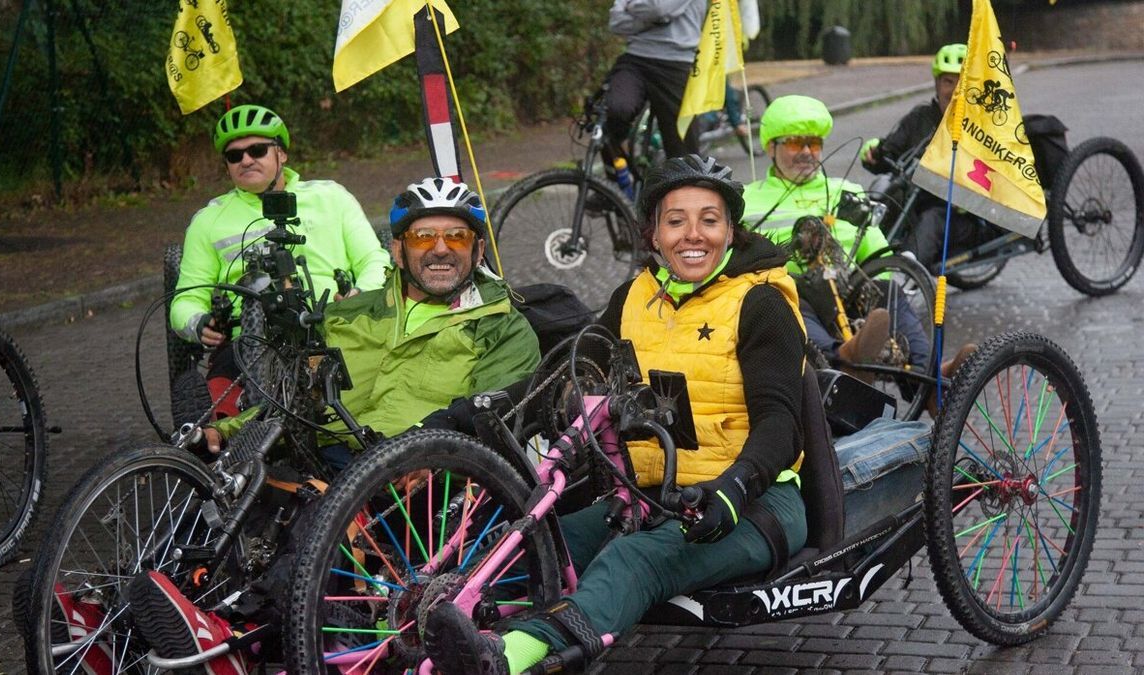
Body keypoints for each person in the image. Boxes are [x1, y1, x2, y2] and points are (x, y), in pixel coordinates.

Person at [420, 155, 933, 675]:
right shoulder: (634, 298)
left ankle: (506, 657)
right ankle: (447, 627)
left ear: (731, 230)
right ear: (654, 235)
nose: (694, 235)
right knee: (544, 541)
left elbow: (781, 423)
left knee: (632, 561)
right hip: (651, 497)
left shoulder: (760, 303)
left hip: (756, 502)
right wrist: (462, 416)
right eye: (676, 220)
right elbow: (563, 376)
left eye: (709, 220)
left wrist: (733, 489)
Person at [101, 178, 540, 675]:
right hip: (322, 460)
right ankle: (123, 618)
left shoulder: (502, 325)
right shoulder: (350, 314)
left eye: (456, 238)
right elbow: (293, 398)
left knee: (307, 529)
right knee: (224, 493)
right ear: (397, 249)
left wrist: (417, 453)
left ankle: (234, 640)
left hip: (416, 482)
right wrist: (229, 430)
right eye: (423, 237)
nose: (440, 250)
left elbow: (489, 415)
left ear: (478, 248)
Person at [169, 104, 391, 419]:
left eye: (257, 150)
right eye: (234, 156)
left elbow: (376, 261)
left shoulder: (332, 197)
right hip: (246, 344)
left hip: (334, 328)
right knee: (214, 430)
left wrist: (360, 295)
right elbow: (184, 300)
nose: (246, 160)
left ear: (282, 154)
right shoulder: (208, 221)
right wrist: (199, 323)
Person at [741, 94, 919, 376]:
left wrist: (877, 288)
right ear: (770, 147)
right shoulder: (747, 201)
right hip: (790, 293)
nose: (807, 152)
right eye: (796, 143)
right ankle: (843, 359)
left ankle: (931, 377)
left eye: (814, 143)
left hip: (850, 291)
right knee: (793, 300)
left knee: (890, 291)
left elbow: (876, 252)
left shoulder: (846, 191)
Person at [860, 44, 988, 269]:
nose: (954, 90)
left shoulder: (983, 128)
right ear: (937, 85)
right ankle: (863, 263)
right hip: (913, 204)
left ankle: (906, 275)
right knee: (883, 197)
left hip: (963, 217)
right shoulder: (920, 118)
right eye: (948, 82)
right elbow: (891, 153)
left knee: (934, 218)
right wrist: (875, 155)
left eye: (962, 83)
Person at [601, 0, 706, 175]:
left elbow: (659, 8)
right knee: (612, 111)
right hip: (636, 58)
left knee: (685, 156)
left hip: (677, 63)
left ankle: (684, 194)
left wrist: (632, 6)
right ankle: (615, 188)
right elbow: (616, 21)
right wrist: (652, 18)